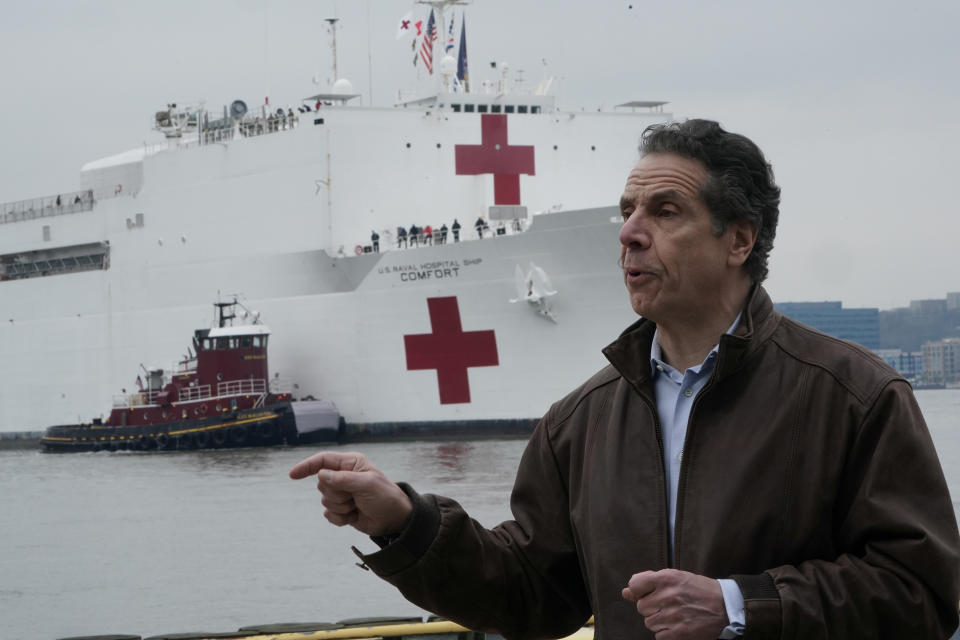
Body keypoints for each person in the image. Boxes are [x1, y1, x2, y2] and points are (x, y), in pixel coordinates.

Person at [290, 119, 960, 639]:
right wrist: (406, 522)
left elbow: (924, 595)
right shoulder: (581, 422)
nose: (629, 234)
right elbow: (529, 596)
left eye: (664, 212)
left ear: (739, 241)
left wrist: (737, 607)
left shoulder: (853, 398)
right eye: (628, 211)